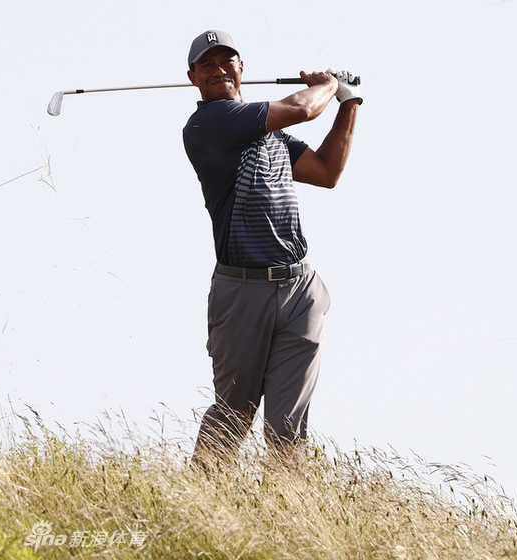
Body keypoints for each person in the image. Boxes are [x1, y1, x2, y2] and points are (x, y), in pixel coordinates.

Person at [182, 30, 361, 468]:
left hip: (300, 289)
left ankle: (288, 517)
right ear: (193, 78)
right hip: (242, 292)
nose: (219, 69)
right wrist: (329, 85)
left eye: (227, 61)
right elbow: (303, 108)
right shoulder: (210, 123)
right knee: (233, 415)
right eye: (208, 65)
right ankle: (197, 502)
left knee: (288, 427)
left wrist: (349, 106)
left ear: (242, 68)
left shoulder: (268, 132)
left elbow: (325, 171)